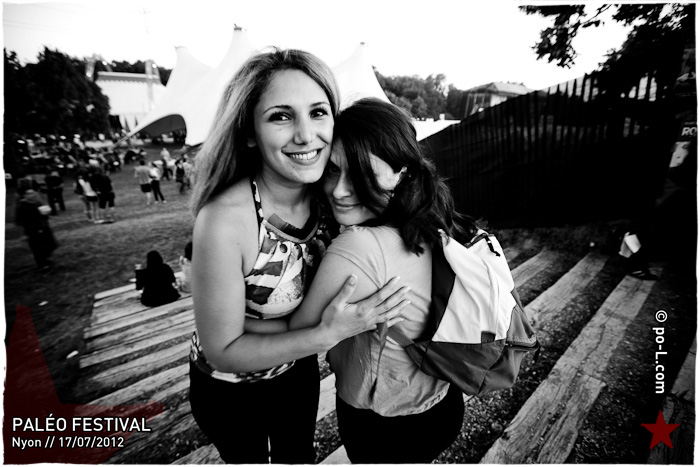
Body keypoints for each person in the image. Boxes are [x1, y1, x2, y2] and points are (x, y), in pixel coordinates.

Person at [187, 49, 409, 464]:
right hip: (228, 390)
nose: (306, 136)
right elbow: (223, 349)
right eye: (281, 116)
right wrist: (327, 334)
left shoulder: (334, 196)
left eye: (318, 113)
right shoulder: (225, 221)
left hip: (296, 372)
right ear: (249, 132)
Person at [290, 98, 471, 464]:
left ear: (401, 172)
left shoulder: (359, 246)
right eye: (333, 169)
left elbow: (297, 335)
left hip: (385, 423)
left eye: (361, 174)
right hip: (441, 400)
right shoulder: (431, 217)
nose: (339, 190)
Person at [15, 178, 57, 270]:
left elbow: (44, 210)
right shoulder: (22, 206)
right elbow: (20, 220)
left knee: (50, 244)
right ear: (24, 195)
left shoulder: (36, 202)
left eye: (33, 193)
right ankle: (42, 264)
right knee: (38, 247)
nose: (32, 194)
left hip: (43, 225)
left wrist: (46, 213)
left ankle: (46, 259)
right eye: (29, 193)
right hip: (33, 228)